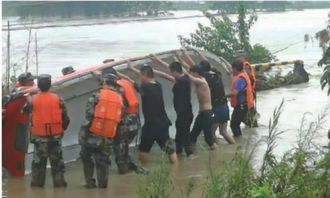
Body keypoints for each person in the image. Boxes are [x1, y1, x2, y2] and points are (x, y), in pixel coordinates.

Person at [22, 74, 70, 188]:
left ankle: (38, 189)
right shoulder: (58, 98)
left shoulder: (32, 100)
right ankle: (59, 188)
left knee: (38, 166)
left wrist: (28, 99)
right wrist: (61, 130)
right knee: (57, 165)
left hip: (39, 140)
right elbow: (66, 118)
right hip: (56, 138)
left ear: (38, 85)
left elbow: (23, 111)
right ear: (50, 85)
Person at [126, 61, 178, 164]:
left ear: (144, 75)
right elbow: (144, 76)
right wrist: (132, 69)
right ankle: (176, 167)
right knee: (169, 149)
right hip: (163, 123)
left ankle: (143, 172)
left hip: (151, 125)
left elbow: (133, 83)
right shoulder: (158, 85)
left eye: (141, 75)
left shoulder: (146, 88)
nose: (140, 78)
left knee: (143, 150)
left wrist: (121, 75)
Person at [79, 74, 124, 188]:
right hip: (107, 136)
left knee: (87, 159)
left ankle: (89, 183)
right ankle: (103, 187)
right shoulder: (120, 100)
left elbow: (88, 115)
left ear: (105, 83)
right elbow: (119, 118)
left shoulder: (97, 96)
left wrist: (82, 135)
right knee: (103, 162)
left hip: (91, 135)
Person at [149, 54, 194, 156]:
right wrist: (157, 59)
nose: (171, 73)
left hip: (183, 113)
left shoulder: (181, 81)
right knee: (181, 133)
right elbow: (169, 68)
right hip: (186, 111)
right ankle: (180, 154)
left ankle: (189, 155)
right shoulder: (185, 77)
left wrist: (153, 70)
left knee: (183, 134)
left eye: (172, 72)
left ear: (175, 71)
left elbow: (166, 76)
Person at [106, 67, 147, 175]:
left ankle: (126, 172)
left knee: (119, 148)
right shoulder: (125, 81)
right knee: (123, 147)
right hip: (135, 120)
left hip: (126, 121)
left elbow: (120, 105)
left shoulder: (117, 87)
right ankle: (131, 167)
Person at [192, 49, 236, 144]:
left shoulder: (205, 78)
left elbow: (192, 68)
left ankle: (217, 154)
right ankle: (235, 149)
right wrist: (199, 54)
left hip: (216, 109)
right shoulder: (217, 74)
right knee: (223, 132)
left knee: (211, 135)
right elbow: (209, 66)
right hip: (224, 107)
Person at [226, 60, 254, 137]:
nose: (231, 71)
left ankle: (238, 142)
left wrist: (223, 96)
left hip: (241, 106)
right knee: (237, 123)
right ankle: (240, 140)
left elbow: (234, 93)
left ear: (235, 69)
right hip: (242, 105)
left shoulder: (241, 79)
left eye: (232, 69)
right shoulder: (243, 74)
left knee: (234, 125)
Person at [235, 50, 258, 128]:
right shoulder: (241, 67)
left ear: (243, 58)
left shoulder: (246, 67)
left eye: (238, 57)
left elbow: (246, 79)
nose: (237, 59)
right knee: (246, 118)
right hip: (246, 96)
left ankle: (253, 133)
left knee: (249, 119)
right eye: (236, 58)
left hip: (248, 97)